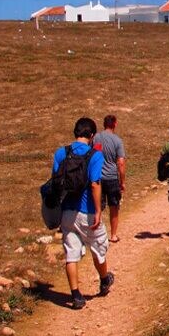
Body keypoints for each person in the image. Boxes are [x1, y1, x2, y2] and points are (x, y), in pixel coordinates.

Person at [51, 117, 114, 310]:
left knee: (71, 253)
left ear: (75, 133)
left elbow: (55, 181)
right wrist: (97, 211)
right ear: (92, 135)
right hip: (86, 211)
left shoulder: (61, 153)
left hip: (67, 212)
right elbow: (95, 183)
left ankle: (76, 295)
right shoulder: (94, 155)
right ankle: (104, 279)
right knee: (98, 247)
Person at [96, 114, 126, 243]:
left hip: (98, 177)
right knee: (114, 206)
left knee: (98, 207)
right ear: (114, 124)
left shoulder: (96, 138)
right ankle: (113, 235)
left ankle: (99, 235)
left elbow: (94, 154)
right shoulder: (117, 141)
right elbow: (121, 162)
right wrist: (122, 181)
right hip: (112, 178)